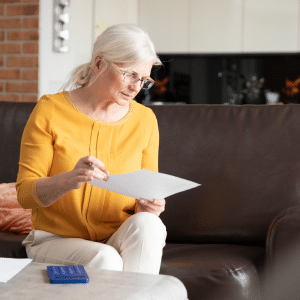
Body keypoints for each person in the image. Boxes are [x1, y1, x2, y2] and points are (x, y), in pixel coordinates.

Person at [16, 24, 167, 275]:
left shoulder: (145, 119)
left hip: (117, 234)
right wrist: (68, 180)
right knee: (105, 258)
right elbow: (25, 195)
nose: (135, 87)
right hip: (54, 241)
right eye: (129, 74)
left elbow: (146, 189)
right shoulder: (50, 110)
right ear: (99, 63)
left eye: (143, 79)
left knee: (150, 225)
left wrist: (151, 206)